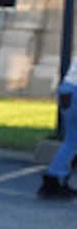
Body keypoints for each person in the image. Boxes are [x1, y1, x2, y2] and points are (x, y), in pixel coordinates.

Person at [37, 59, 77, 199]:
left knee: (71, 140)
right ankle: (54, 177)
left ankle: (57, 178)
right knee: (73, 141)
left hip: (67, 89)